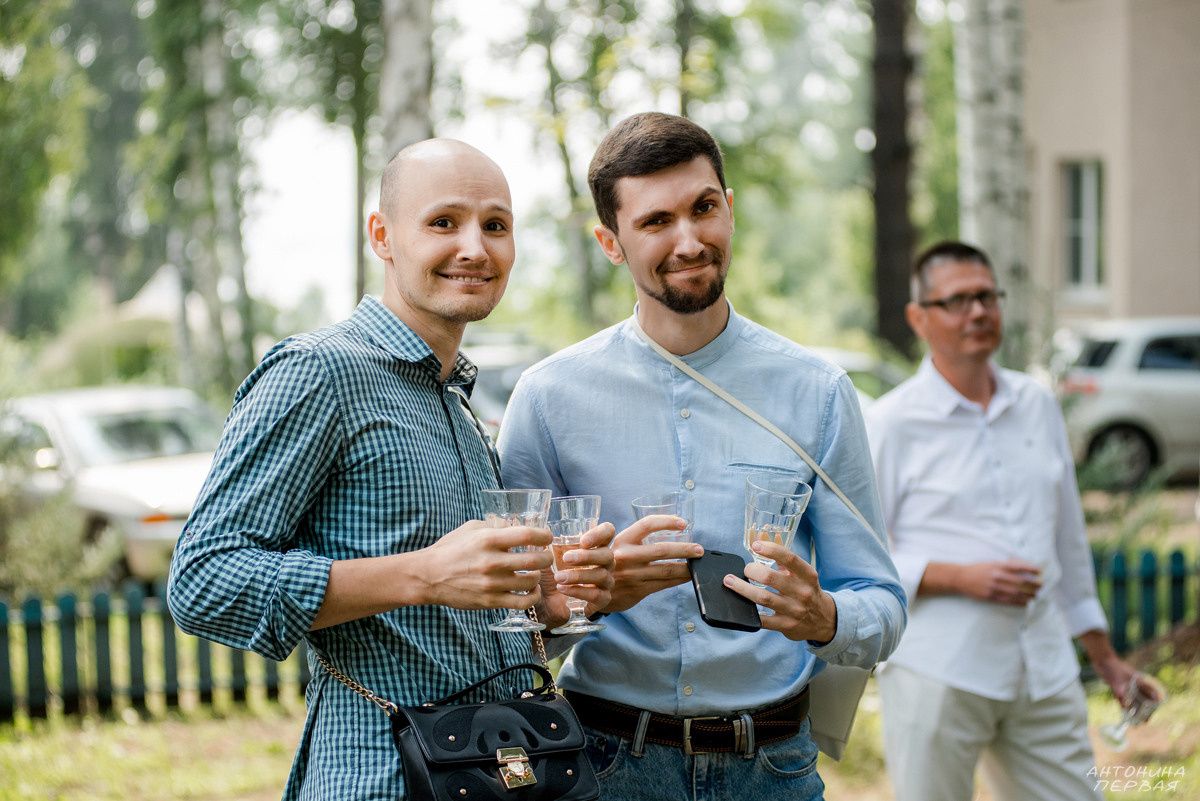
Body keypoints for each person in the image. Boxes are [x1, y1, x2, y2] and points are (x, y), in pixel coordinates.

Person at [167, 138, 615, 800]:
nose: (475, 247)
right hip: (376, 778)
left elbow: (461, 636)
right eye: (444, 222)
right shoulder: (319, 372)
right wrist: (425, 574)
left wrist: (555, 609)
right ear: (382, 235)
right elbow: (203, 580)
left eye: (496, 225)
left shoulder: (458, 403)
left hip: (495, 777)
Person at [497, 111, 907, 801]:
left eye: (704, 208)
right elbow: (509, 629)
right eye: (656, 221)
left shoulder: (818, 392)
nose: (689, 240)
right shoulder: (546, 400)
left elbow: (883, 602)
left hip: (772, 769)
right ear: (610, 242)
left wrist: (826, 618)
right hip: (605, 765)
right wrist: (590, 600)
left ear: (730, 209)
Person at [864, 240, 1148, 801]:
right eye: (957, 300)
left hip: (1043, 667)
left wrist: (1106, 659)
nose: (978, 312)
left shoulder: (1037, 403)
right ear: (919, 317)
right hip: (938, 672)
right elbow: (859, 556)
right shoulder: (890, 422)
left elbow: (1067, 543)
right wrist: (957, 576)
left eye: (987, 296)